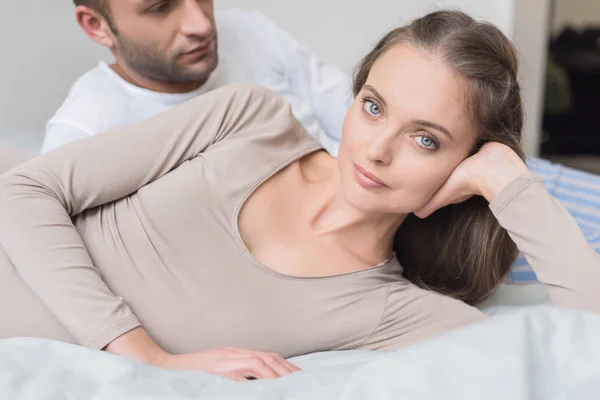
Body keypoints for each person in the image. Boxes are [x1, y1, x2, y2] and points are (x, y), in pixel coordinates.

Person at [1, 11, 599, 382]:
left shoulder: (392, 311)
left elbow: (583, 349)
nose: (375, 150)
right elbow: (25, 191)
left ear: (465, 162)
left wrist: (509, 183)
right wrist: (144, 355)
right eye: (372, 107)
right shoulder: (250, 116)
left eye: (424, 138)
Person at [41, 0, 350, 155]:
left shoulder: (249, 31)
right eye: (161, 7)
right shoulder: (84, 134)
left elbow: (353, 124)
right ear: (97, 26)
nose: (201, 25)